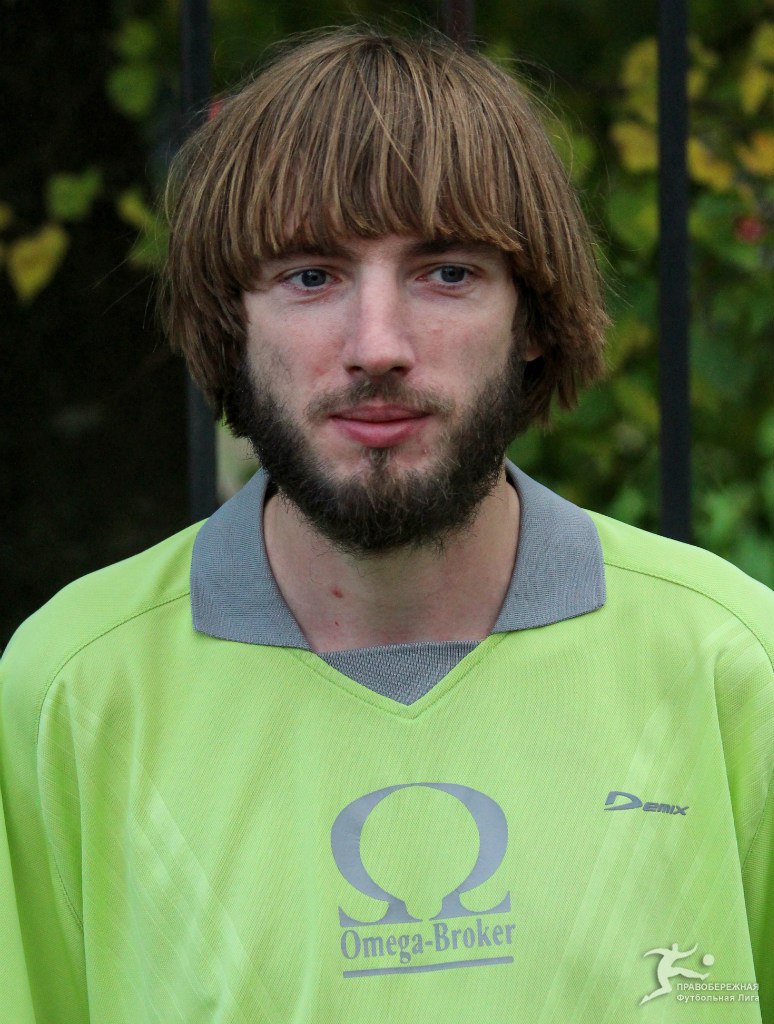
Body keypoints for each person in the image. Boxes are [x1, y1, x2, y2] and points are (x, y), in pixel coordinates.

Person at [1, 25, 772, 1024]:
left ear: (532, 318)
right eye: (309, 275)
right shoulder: (70, 687)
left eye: (445, 272)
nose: (377, 346)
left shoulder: (732, 662)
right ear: (233, 324)